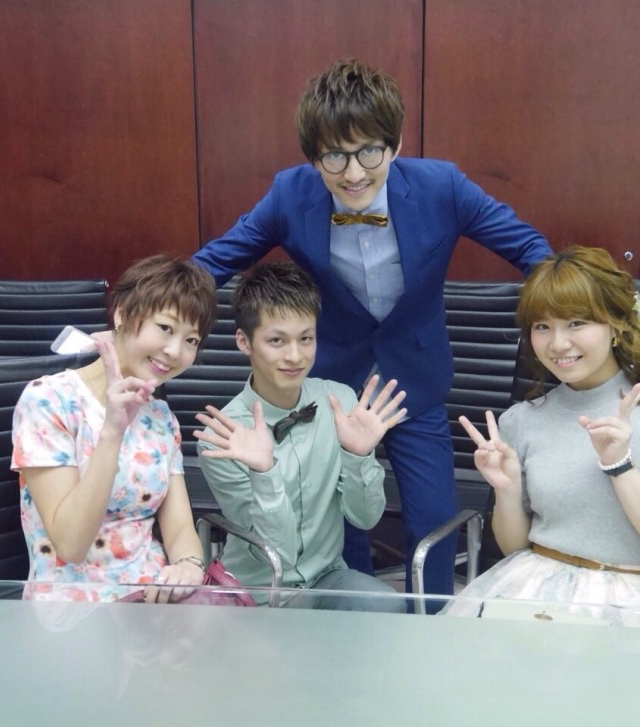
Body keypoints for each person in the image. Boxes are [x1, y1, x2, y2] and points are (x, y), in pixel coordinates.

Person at [192, 58, 553, 597]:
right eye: (334, 156)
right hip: (332, 385)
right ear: (313, 156)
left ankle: (430, 625)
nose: (354, 172)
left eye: (369, 151)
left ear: (396, 143)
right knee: (341, 525)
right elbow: (214, 263)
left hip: (414, 382)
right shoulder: (290, 195)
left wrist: (578, 314)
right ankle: (348, 625)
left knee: (433, 519)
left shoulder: (442, 187)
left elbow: (529, 248)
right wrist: (156, 320)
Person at [446, 246, 640, 629]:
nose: (557, 344)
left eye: (576, 323)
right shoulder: (521, 420)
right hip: (531, 591)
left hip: (629, 601)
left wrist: (620, 466)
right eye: (542, 326)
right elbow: (515, 548)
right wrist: (507, 491)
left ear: (617, 324)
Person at [194, 261, 408, 612]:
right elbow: (277, 554)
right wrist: (264, 472)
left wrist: (359, 456)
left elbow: (365, 519)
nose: (295, 356)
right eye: (276, 341)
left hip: (326, 578)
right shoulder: (223, 435)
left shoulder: (339, 402)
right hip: (257, 592)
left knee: (388, 607)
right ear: (244, 342)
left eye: (306, 339)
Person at [11, 254, 217, 603]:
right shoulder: (48, 400)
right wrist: (112, 431)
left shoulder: (161, 416)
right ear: (122, 314)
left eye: (191, 340)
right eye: (165, 328)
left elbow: (180, 525)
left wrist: (189, 565)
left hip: (153, 602)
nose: (174, 351)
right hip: (73, 608)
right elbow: (71, 545)